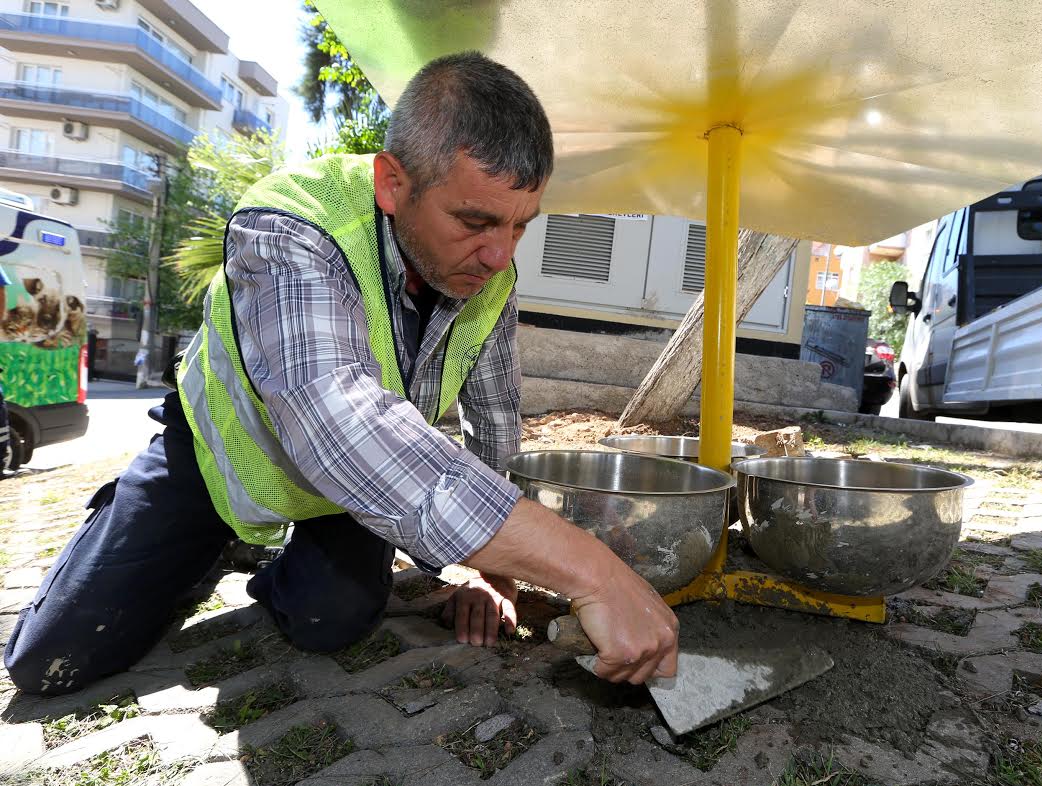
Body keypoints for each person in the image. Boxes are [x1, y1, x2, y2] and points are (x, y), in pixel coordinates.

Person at [3, 52, 678, 696]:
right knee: (48, 660)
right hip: (217, 463)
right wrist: (595, 573)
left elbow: (495, 429)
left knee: (333, 618)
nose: (500, 256)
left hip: (347, 489)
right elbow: (342, 423)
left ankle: (266, 562)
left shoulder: (491, 274)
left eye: (520, 227)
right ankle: (194, 533)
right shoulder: (288, 227)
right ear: (393, 182)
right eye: (474, 221)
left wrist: (493, 567)